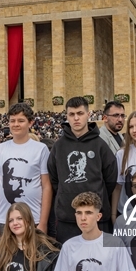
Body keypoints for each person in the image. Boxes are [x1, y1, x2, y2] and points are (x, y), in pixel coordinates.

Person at [47, 97, 118, 243]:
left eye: (80, 113)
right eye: (71, 114)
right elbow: (54, 178)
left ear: (88, 114)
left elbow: (110, 179)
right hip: (67, 218)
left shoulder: (100, 145)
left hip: (97, 218)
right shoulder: (58, 146)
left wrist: (97, 194)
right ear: (67, 116)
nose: (76, 118)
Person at [0, 103, 52, 239]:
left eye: (21, 121)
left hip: (33, 218)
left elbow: (46, 186)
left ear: (30, 123)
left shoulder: (40, 149)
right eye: (12, 121)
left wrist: (43, 222)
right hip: (3, 219)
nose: (16, 124)